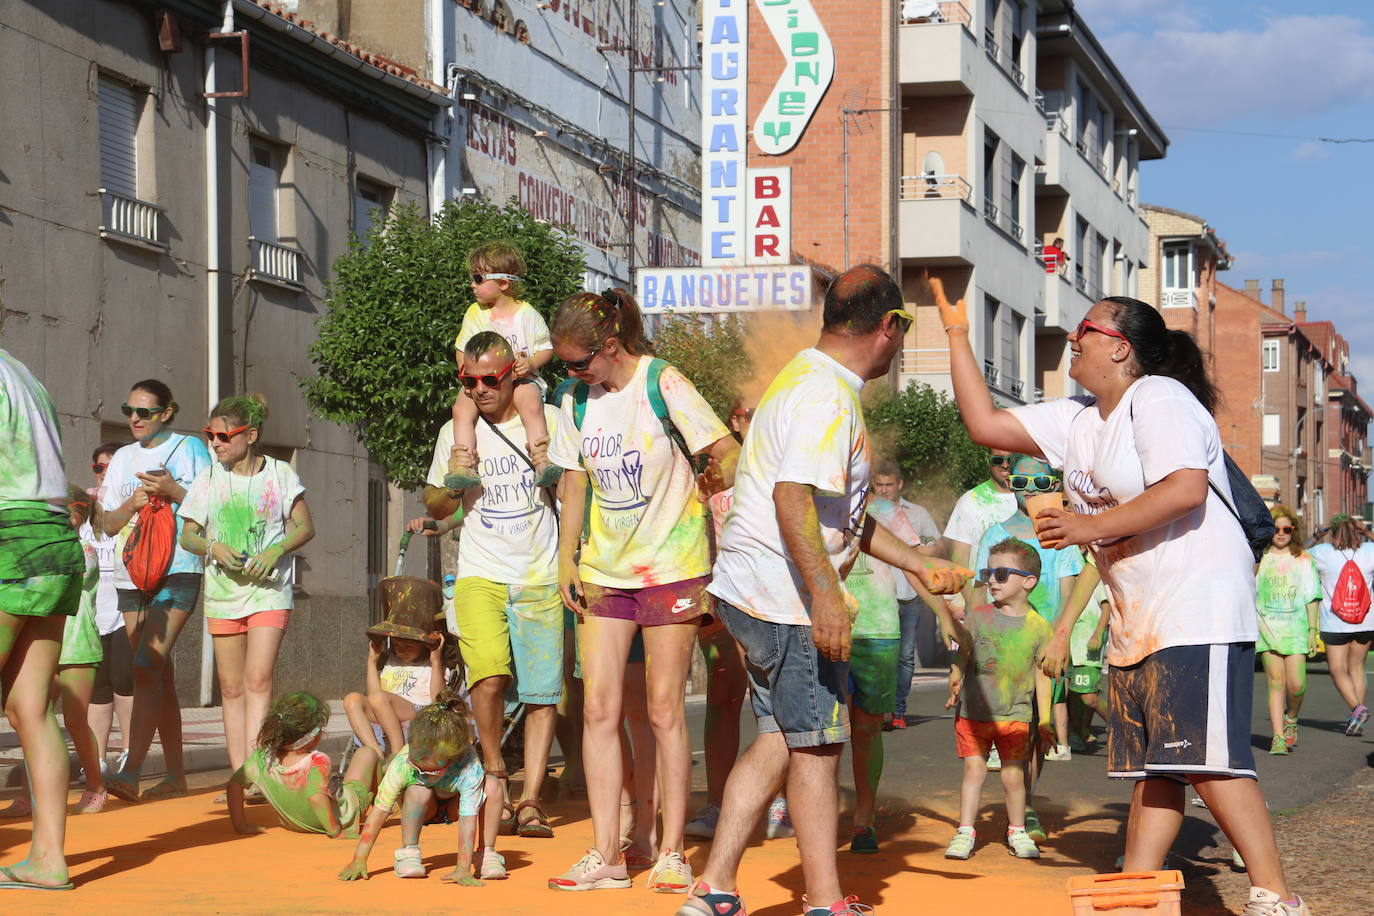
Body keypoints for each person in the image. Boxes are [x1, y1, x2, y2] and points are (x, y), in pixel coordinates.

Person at [937, 283, 1307, 915]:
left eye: (1086, 329)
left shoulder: (1158, 397)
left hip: (1198, 606)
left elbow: (1186, 489)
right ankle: (1137, 893)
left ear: (1120, 348)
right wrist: (955, 336)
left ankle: (1276, 895)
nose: (1073, 338)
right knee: (1156, 769)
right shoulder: (1076, 418)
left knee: (1209, 762)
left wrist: (1088, 528)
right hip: (1141, 619)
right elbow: (984, 424)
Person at [678, 265, 969, 916]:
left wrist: (918, 564)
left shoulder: (808, 380)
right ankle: (824, 902)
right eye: (905, 327)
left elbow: (841, 515)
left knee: (784, 735)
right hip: (784, 598)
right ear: (889, 327)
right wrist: (826, 596)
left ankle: (716, 887)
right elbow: (793, 500)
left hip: (754, 592)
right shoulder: (825, 398)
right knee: (817, 745)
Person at [546, 288, 739, 894]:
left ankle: (674, 849)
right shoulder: (576, 401)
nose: (571, 374)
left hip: (674, 565)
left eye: (578, 363)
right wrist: (565, 558)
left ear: (609, 346)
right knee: (598, 710)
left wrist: (713, 485)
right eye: (563, 365)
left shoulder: (663, 382)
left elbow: (726, 451)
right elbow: (574, 483)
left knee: (662, 710)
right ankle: (606, 851)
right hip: (605, 570)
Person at [422, 330, 565, 876]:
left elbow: (572, 484)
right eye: (469, 381)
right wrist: (455, 486)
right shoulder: (454, 433)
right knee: (487, 678)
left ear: (512, 377)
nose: (479, 389)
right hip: (480, 570)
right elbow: (434, 501)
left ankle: (531, 797)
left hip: (539, 573)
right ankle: (492, 769)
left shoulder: (545, 419)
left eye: (490, 380)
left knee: (541, 690)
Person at [179, 394, 315, 808]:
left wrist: (276, 551)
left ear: (250, 435)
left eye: (223, 435)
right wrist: (212, 546)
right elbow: (188, 534)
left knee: (258, 680)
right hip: (223, 594)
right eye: (209, 435)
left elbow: (305, 526)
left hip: (269, 591)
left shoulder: (280, 473)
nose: (215, 443)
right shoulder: (208, 478)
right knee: (230, 687)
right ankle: (239, 775)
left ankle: (259, 769)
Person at [100, 379, 211, 803]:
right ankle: (177, 775)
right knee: (157, 673)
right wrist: (132, 504)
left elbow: (214, 508)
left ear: (166, 413)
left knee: (145, 666)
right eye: (129, 410)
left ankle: (131, 771)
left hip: (178, 569)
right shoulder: (123, 458)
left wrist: (173, 492)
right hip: (131, 573)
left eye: (144, 412)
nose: (134, 419)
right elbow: (106, 524)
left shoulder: (189, 449)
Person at [0, 349, 86, 891]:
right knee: (29, 707)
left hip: (10, 532)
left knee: (29, 708)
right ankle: (48, 860)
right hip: (56, 538)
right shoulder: (27, 375)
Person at [944, 538, 1054, 860]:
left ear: (1028, 582)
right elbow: (964, 651)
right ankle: (965, 831)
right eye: (988, 572)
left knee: (1013, 775)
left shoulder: (1040, 628)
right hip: (975, 713)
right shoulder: (977, 617)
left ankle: (1017, 831)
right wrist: (955, 673)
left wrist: (1044, 718)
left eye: (1002, 574)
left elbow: (1042, 675)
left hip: (1016, 714)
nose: (992, 580)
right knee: (974, 772)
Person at [842, 496, 938, 854]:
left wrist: (945, 615)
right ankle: (798, 807)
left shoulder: (885, 512)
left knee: (866, 731)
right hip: (819, 628)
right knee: (822, 734)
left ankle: (863, 820)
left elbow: (916, 567)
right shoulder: (806, 497)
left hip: (877, 631)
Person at [973, 456, 1083, 763]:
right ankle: (1017, 803)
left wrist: (1058, 639)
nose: (1030, 489)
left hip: (1046, 649)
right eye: (1021, 482)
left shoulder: (1063, 537)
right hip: (1002, 649)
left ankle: (1027, 804)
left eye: (1041, 482)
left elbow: (1068, 594)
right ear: (1010, 484)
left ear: (1055, 486)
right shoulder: (993, 536)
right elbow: (979, 592)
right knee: (1007, 728)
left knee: (1038, 730)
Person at [686, 400, 752, 842]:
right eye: (747, 413)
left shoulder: (779, 462)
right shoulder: (708, 471)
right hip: (719, 598)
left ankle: (779, 799)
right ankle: (716, 801)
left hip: (768, 599)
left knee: (775, 703)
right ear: (732, 421)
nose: (753, 420)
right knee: (723, 696)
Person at [338, 689, 486, 884]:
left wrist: (463, 868)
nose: (416, 758)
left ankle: (486, 853)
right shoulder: (402, 762)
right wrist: (359, 859)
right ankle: (409, 853)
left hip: (453, 807)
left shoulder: (468, 765)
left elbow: (469, 819)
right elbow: (380, 811)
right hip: (421, 807)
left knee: (492, 787)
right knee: (418, 790)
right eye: (414, 753)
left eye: (425, 759)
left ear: (451, 756)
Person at [447, 243, 560, 490]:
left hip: (520, 381)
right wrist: (467, 378)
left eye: (478, 278)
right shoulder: (475, 313)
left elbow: (547, 348)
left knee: (529, 401)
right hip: (482, 384)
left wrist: (530, 363)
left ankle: (541, 458)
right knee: (461, 409)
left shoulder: (527, 315)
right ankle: (464, 463)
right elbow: (461, 350)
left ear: (504, 284)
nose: (472, 284)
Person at [227, 691, 381, 838]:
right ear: (312, 736)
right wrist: (335, 832)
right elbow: (316, 798)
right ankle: (382, 805)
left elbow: (233, 785)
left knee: (340, 784)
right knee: (368, 753)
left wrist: (241, 826)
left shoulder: (261, 758)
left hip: (295, 824)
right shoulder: (317, 761)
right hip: (343, 817)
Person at [870, 459, 942, 728]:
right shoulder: (867, 512)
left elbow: (936, 547)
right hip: (877, 597)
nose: (885, 490)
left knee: (905, 656)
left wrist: (917, 551)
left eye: (889, 484)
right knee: (879, 654)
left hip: (909, 595)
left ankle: (898, 709)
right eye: (879, 485)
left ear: (899, 484)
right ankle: (879, 709)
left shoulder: (918, 514)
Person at [84, 443, 134, 778]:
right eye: (100, 468)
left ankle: (130, 751)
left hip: (124, 610)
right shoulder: (83, 514)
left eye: (111, 468)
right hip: (91, 613)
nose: (105, 474)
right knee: (96, 687)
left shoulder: (131, 511)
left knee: (124, 682)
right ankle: (97, 758)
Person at [1254, 506, 1320, 754]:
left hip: (1295, 631)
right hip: (1266, 628)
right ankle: (1278, 737)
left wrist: (1313, 631)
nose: (1281, 534)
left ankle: (1291, 717)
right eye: (1276, 529)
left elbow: (1312, 596)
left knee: (1297, 685)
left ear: (1293, 531)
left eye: (1286, 529)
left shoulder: (1303, 559)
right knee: (1276, 682)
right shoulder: (1259, 560)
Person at [342, 603, 446, 757]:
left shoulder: (431, 664)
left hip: (418, 709)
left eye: (408, 647)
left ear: (423, 646)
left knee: (378, 698)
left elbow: (439, 700)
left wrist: (436, 661)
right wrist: (372, 661)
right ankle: (376, 752)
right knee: (351, 699)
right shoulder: (392, 661)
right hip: (384, 706)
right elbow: (373, 697)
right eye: (397, 645)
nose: (401, 650)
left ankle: (397, 753)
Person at [1307, 514, 1374, 737]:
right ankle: (1356, 718)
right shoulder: (1368, 551)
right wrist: (1367, 533)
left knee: (1337, 669)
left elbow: (1297, 555)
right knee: (1356, 668)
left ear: (1332, 532)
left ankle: (1357, 708)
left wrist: (1317, 535)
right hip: (1365, 620)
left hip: (1335, 622)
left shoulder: (1322, 553)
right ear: (1356, 531)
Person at [944, 449, 1017, 619]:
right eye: (998, 460)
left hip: (1029, 609)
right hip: (985, 608)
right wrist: (974, 605)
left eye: (1011, 460)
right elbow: (959, 561)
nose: (1005, 465)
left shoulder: (1031, 497)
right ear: (987, 460)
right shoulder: (970, 501)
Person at [1066, 565, 1111, 750]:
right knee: (1072, 695)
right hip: (1067, 645)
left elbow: (1107, 607)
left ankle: (1121, 727)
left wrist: (1097, 634)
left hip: (1087, 646)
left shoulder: (1091, 572)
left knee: (1089, 697)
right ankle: (1078, 733)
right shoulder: (1066, 574)